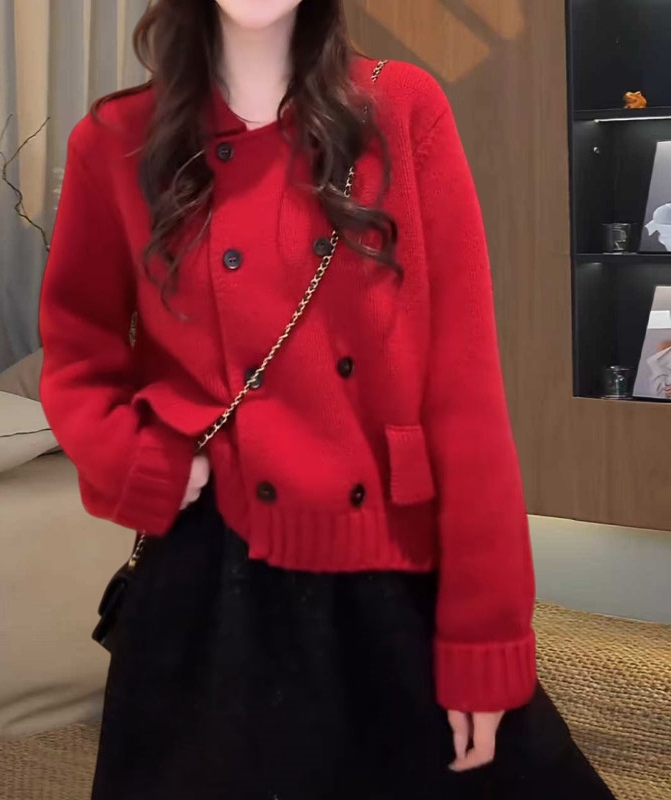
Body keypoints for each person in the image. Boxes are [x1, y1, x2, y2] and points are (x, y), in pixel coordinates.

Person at [39, 1, 616, 798]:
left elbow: (466, 394)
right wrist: (142, 460)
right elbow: (78, 351)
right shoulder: (117, 139)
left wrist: (487, 635)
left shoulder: (402, 109)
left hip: (390, 572)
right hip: (210, 576)